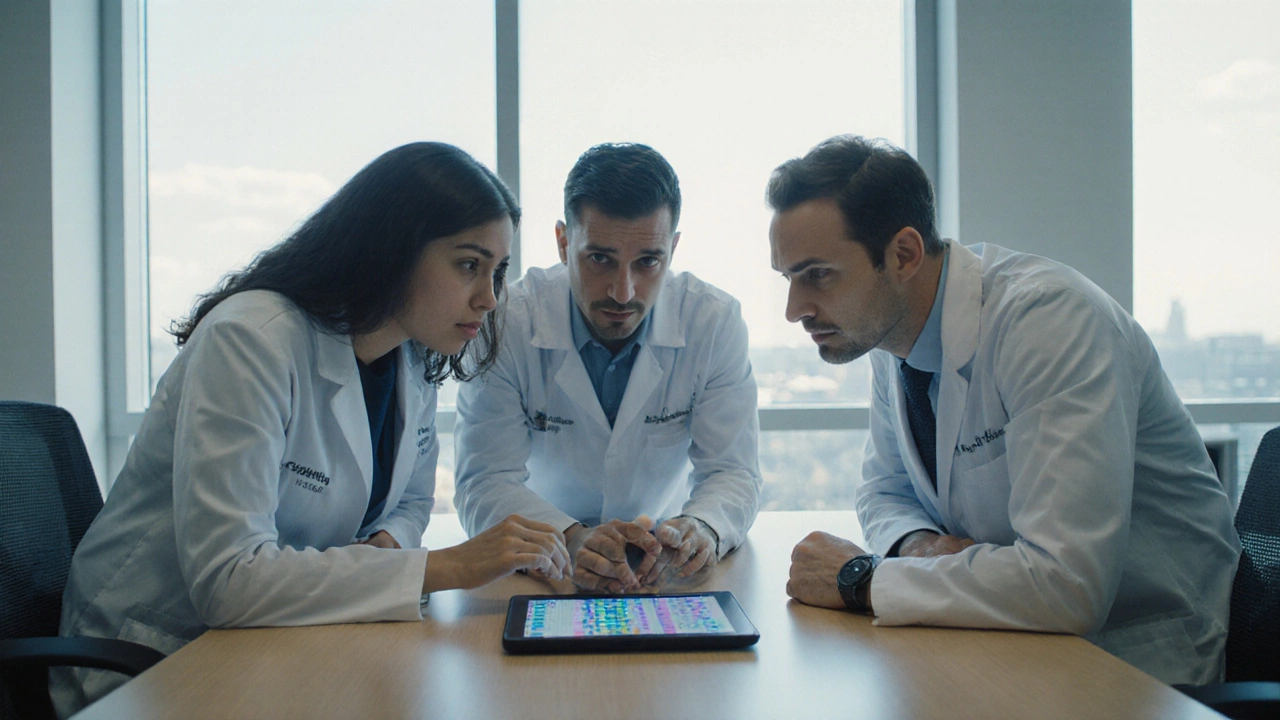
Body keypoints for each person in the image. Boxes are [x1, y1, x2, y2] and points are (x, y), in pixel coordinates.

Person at [52, 142, 570, 716]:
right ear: (392, 249)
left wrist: (387, 549)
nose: (489, 297)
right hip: (153, 661)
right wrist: (448, 566)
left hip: (279, 641)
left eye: (497, 271)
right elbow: (228, 578)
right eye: (469, 265)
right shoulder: (251, 341)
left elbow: (412, 500)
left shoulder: (411, 360)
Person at [772, 135, 1240, 685]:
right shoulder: (889, 333)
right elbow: (884, 490)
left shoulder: (1048, 322)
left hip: (1138, 657)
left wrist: (862, 579)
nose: (793, 309)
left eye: (817, 274)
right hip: (1011, 641)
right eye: (788, 278)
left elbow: (1069, 586)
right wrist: (917, 546)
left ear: (903, 255)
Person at [453, 143, 762, 593]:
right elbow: (484, 482)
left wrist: (703, 528)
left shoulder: (713, 322)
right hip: (543, 562)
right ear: (563, 243)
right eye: (600, 259)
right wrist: (569, 539)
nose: (623, 291)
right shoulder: (505, 321)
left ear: (673, 250)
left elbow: (732, 472)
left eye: (648, 262)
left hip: (660, 564)